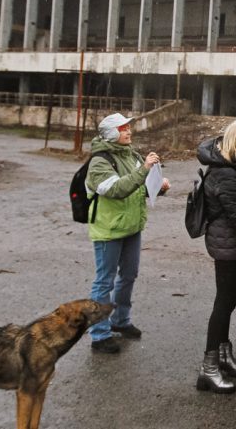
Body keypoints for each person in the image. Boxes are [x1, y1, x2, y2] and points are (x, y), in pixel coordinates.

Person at [84, 113, 169, 354]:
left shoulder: (131, 154)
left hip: (132, 227)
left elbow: (138, 187)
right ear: (111, 133)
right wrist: (144, 169)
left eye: (128, 127)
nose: (128, 131)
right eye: (122, 128)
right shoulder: (99, 162)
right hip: (109, 230)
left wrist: (158, 187)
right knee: (104, 281)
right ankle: (99, 334)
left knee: (129, 275)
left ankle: (120, 321)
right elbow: (118, 189)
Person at [194, 118, 236, 394]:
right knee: (224, 304)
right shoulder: (225, 174)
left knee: (229, 300)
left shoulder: (231, 165)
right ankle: (208, 368)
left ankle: (222, 354)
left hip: (231, 242)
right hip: (228, 244)